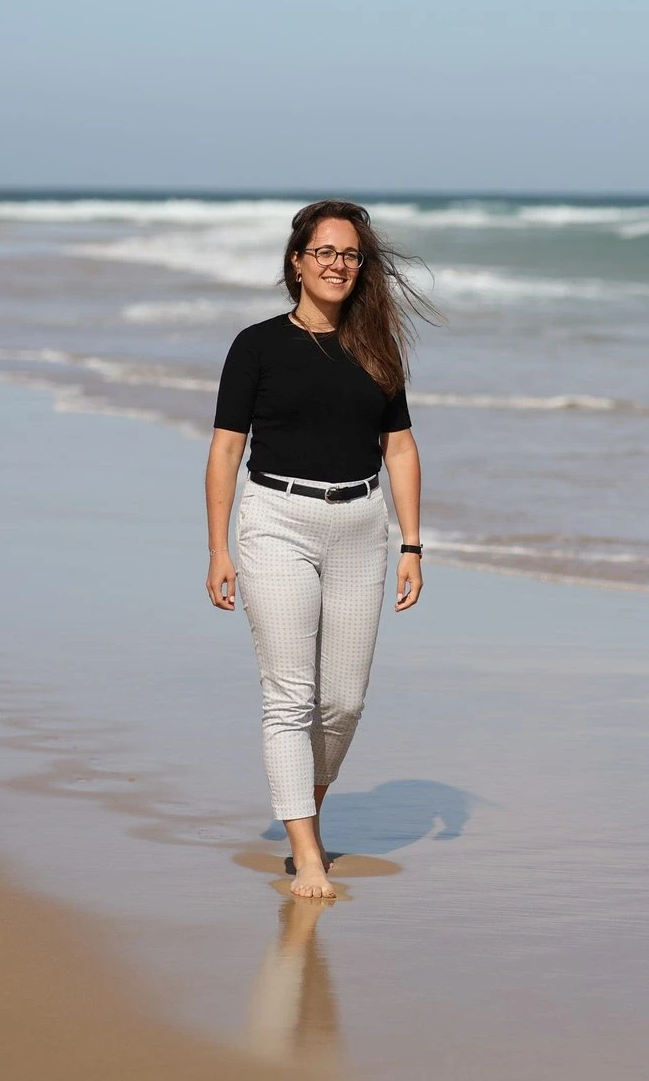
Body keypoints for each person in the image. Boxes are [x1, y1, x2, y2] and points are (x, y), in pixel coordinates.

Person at [204, 199, 437, 899]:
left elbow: (399, 446)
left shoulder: (376, 348)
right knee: (290, 697)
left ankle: (304, 816)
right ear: (297, 262)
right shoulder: (256, 345)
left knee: (341, 702)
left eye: (350, 255)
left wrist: (413, 544)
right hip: (276, 519)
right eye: (325, 252)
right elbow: (224, 449)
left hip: (362, 527)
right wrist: (218, 547)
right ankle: (306, 852)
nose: (338, 264)